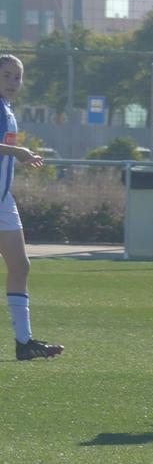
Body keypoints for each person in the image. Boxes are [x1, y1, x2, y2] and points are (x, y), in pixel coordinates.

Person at [0, 55, 63, 360]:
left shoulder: (8, 110)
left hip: (3, 200)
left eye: (17, 77)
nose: (13, 82)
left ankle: (24, 344)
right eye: (7, 75)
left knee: (21, 266)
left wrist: (18, 155)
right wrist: (19, 151)